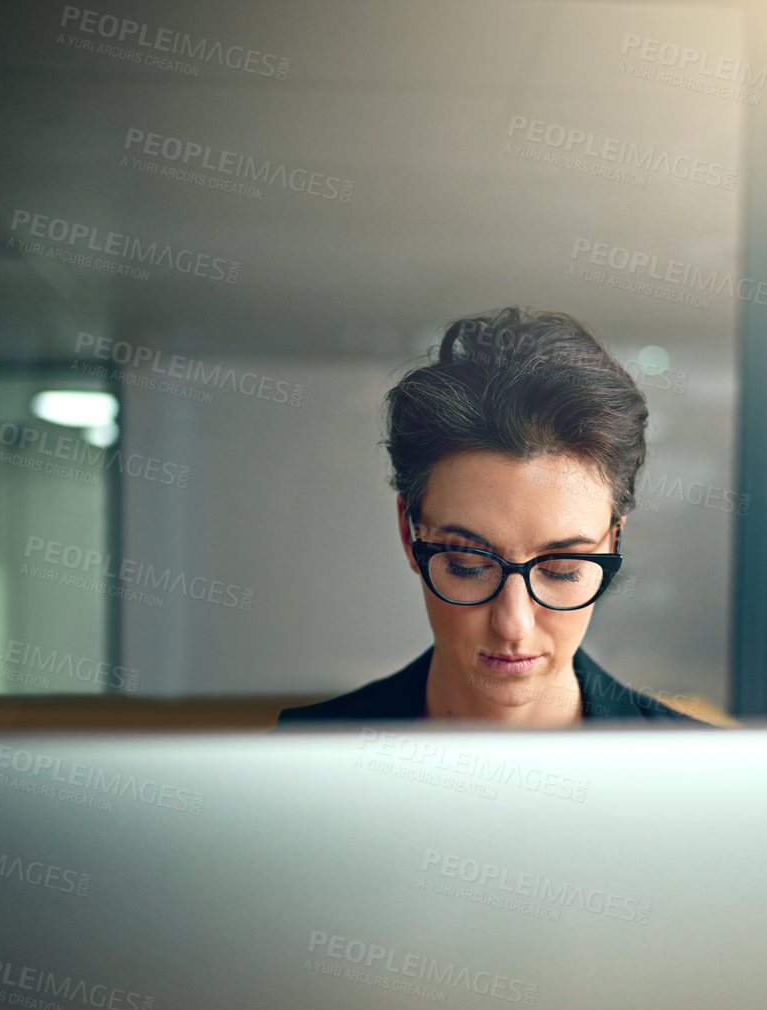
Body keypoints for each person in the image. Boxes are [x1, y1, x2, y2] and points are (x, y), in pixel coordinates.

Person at [276, 307, 707, 727]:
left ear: (614, 542)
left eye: (562, 570)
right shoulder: (296, 762)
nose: (513, 623)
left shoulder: (700, 778)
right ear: (410, 533)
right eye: (468, 564)